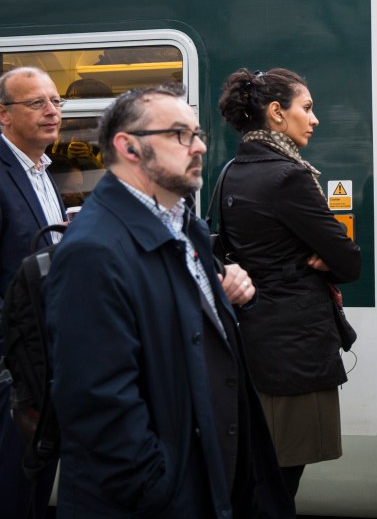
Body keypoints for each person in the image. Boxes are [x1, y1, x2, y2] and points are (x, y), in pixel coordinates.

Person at [45, 85, 294, 518]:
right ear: (129, 147)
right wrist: (158, 488)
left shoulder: (184, 227)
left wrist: (226, 297)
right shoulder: (95, 250)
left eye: (198, 134)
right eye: (179, 135)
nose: (198, 146)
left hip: (204, 480)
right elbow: (96, 400)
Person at [217, 68, 362, 500]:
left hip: (253, 340)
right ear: (277, 113)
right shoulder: (289, 177)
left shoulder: (231, 171)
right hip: (294, 349)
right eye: (308, 107)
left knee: (258, 477)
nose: (314, 119)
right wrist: (323, 261)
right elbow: (348, 260)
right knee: (279, 483)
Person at [0, 66, 66, 519]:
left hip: (46, 356)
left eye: (56, 101)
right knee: (11, 486)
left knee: (38, 482)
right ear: (3, 115)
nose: (53, 112)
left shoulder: (43, 170)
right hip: (12, 366)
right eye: (37, 103)